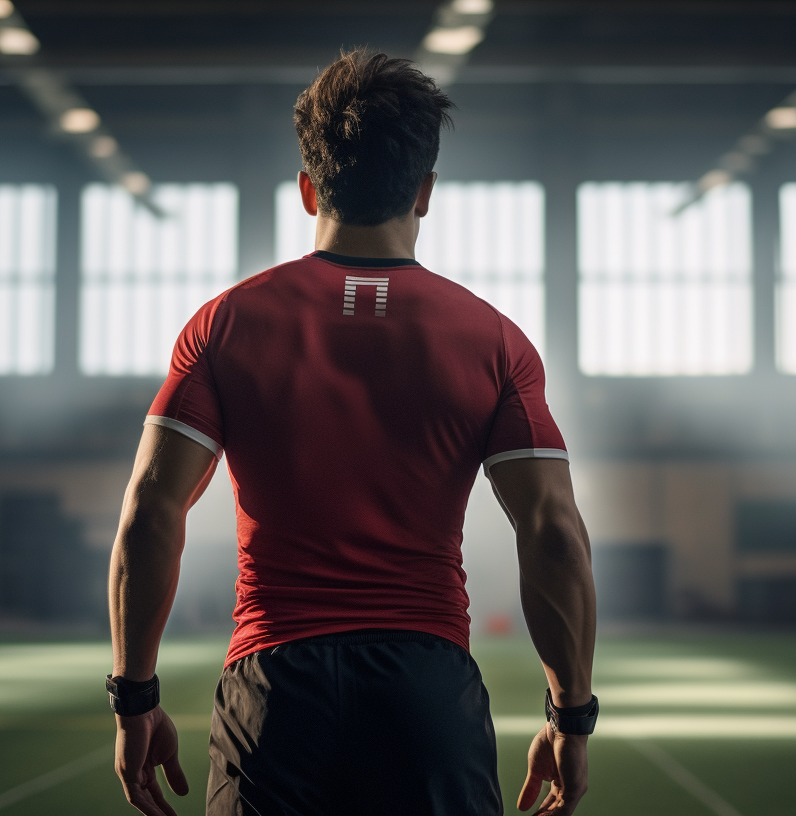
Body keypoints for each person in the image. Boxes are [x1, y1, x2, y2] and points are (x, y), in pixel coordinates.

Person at [107, 48, 597, 816]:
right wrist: (570, 716)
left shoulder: (224, 326)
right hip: (426, 689)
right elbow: (554, 533)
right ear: (425, 192)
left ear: (308, 189)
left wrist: (134, 698)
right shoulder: (495, 342)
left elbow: (148, 511)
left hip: (274, 694)